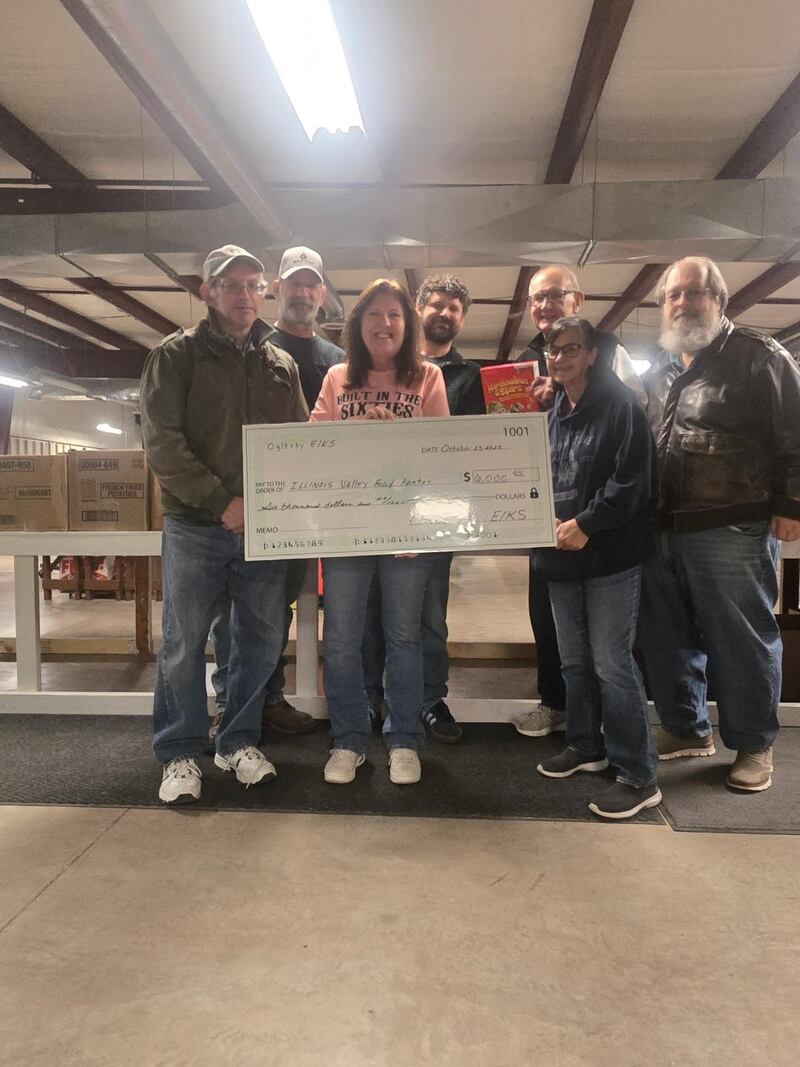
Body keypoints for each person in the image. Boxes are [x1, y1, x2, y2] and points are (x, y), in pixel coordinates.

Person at [141, 244, 308, 804]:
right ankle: (179, 751)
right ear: (207, 291)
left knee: (258, 640)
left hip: (266, 530)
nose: (244, 294)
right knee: (184, 643)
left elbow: (301, 442)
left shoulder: (279, 364)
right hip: (196, 527)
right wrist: (221, 503)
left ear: (266, 291)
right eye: (231, 284)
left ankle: (236, 739)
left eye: (253, 284)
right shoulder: (175, 357)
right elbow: (163, 445)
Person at [638, 256, 800, 792]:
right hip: (664, 528)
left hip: (731, 528)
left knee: (742, 638)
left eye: (695, 292)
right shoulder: (661, 370)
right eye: (673, 295)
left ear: (719, 299)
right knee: (668, 636)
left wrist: (792, 503)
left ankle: (754, 744)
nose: (683, 303)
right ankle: (686, 728)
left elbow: (796, 433)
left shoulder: (759, 357)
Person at [310, 278, 449, 785]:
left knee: (404, 637)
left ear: (407, 324)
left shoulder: (428, 378)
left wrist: (398, 436)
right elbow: (313, 448)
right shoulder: (336, 378)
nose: (384, 324)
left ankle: (404, 739)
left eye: (394, 315)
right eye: (374, 315)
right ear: (358, 324)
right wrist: (355, 431)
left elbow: (441, 456)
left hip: (405, 533)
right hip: (346, 530)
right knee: (343, 639)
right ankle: (348, 740)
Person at [208, 246, 343, 738]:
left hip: (309, 512)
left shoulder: (337, 361)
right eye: (294, 283)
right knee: (235, 614)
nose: (303, 292)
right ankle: (230, 701)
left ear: (321, 294)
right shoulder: (249, 346)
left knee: (276, 610)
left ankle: (268, 697)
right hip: (251, 509)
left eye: (312, 284)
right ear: (276, 290)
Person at [533, 316, 661, 820]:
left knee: (612, 663)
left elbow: (633, 483)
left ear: (591, 353)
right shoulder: (552, 414)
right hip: (559, 558)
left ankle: (638, 774)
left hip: (609, 557)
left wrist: (586, 523)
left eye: (570, 349)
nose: (560, 358)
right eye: (553, 350)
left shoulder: (623, 406)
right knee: (574, 661)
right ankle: (586, 745)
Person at [511, 265, 645, 742]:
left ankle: (629, 758)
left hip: (605, 546)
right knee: (562, 645)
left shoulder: (617, 380)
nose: (545, 305)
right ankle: (572, 727)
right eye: (537, 299)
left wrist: (588, 522)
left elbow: (632, 463)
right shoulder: (532, 370)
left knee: (610, 657)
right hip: (550, 541)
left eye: (554, 295)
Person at [363, 274, 485, 743]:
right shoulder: (384, 365)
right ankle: (371, 696)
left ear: (461, 318)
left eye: (454, 308)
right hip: (374, 513)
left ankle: (430, 699)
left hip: (433, 517)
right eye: (436, 304)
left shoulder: (471, 378)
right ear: (418, 309)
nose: (444, 313)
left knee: (429, 615)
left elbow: (477, 446)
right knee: (375, 611)